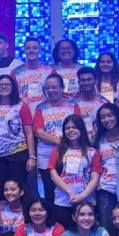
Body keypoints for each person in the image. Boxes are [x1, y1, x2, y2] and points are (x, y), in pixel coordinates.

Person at [0, 74, 36, 200]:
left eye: (7, 84)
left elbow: (29, 132)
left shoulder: (21, 106)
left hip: (18, 153)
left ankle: (23, 212)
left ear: (13, 87)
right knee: (3, 191)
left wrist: (32, 157)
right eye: (1, 85)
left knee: (21, 189)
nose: (4, 87)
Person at [48, 114, 100, 228]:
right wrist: (70, 192)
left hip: (86, 201)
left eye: (74, 127)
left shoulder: (92, 152)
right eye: (67, 128)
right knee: (65, 233)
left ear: (81, 129)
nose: (71, 130)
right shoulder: (57, 151)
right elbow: (53, 175)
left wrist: (82, 196)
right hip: (62, 201)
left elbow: (94, 179)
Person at [34, 74, 80, 203]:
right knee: (49, 190)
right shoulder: (40, 107)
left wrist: (66, 145)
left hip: (71, 152)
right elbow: (39, 132)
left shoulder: (73, 105)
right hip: (46, 155)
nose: (51, 90)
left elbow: (78, 127)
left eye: (54, 87)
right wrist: (60, 143)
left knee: (71, 185)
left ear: (62, 87)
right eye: (47, 88)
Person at [11, 36, 56, 115]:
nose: (31, 50)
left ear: (40, 50)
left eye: (34, 48)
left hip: (46, 114)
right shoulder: (15, 73)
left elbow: (57, 93)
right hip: (23, 115)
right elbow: (12, 96)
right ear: (24, 50)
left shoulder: (50, 71)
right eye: (28, 48)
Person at [71, 66, 109, 143]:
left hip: (102, 142)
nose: (86, 83)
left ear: (96, 80)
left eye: (89, 79)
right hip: (79, 143)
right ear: (78, 82)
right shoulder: (71, 104)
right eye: (83, 80)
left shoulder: (105, 102)